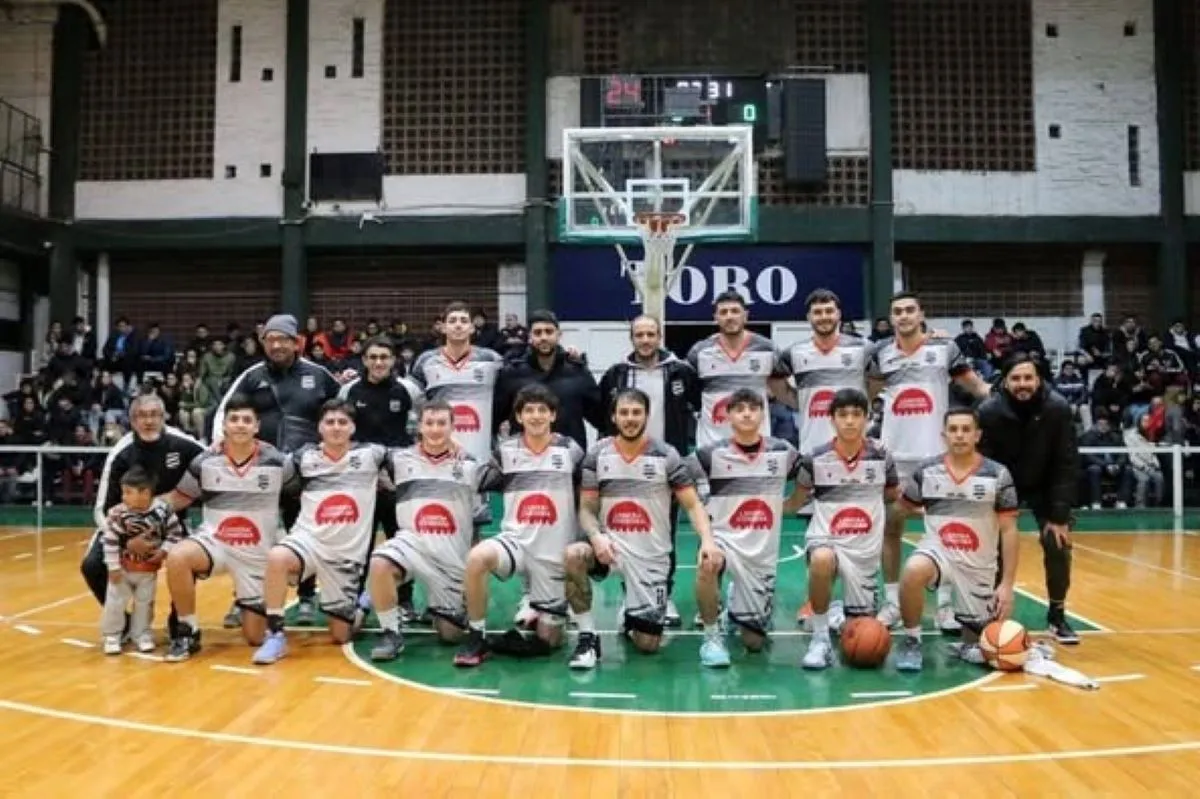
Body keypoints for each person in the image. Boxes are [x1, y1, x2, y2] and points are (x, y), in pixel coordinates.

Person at [868, 291, 992, 633]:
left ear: (921, 314)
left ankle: (947, 607)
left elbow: (977, 386)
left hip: (937, 456)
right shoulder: (880, 354)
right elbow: (867, 390)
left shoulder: (945, 349)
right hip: (893, 456)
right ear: (891, 319)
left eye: (910, 310)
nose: (904, 316)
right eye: (897, 312)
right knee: (890, 528)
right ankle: (892, 602)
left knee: (945, 531)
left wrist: (1003, 402)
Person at [563, 388, 713, 669]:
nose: (630, 419)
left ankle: (632, 611)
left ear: (646, 415)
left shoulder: (666, 455)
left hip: (650, 556)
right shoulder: (598, 454)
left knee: (648, 645)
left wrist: (707, 540)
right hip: (610, 549)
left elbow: (692, 505)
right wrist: (596, 537)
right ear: (613, 416)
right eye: (624, 413)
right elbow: (586, 509)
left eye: (636, 412)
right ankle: (587, 637)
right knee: (573, 555)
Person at [212, 313, 342, 627]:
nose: (277, 345)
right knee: (254, 536)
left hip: (306, 473)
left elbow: (343, 411)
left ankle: (308, 595)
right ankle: (246, 596)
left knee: (306, 534)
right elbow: (225, 413)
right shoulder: (251, 376)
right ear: (264, 343)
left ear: (296, 342)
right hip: (260, 473)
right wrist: (221, 447)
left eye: (283, 339)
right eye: (271, 339)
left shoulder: (319, 375)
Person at [157, 395, 297, 661]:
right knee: (178, 557)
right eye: (234, 419)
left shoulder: (278, 462)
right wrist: (141, 510)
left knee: (255, 637)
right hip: (215, 542)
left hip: (257, 552)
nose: (240, 425)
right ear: (225, 425)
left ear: (257, 426)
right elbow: (179, 498)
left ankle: (248, 603)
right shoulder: (204, 461)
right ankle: (188, 631)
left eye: (247, 420)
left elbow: (300, 499)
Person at [453, 384, 585, 668]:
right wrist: (454, 451)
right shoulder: (506, 451)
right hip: (516, 541)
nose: (536, 416)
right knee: (477, 558)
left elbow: (585, 494)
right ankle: (476, 635)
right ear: (518, 416)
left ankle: (534, 617)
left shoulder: (570, 450)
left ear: (553, 415)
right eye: (529, 410)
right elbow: (478, 481)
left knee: (548, 642)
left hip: (554, 549)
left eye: (542, 410)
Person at [252, 400, 389, 665]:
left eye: (342, 422)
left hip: (346, 553)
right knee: (278, 557)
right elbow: (269, 465)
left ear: (353, 427)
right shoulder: (304, 458)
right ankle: (275, 634)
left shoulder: (373, 455)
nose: (336, 428)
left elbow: (415, 455)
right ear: (319, 427)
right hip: (309, 540)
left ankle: (362, 603)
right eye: (330, 422)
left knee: (341, 635)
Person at [894, 408, 1021, 671]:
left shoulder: (998, 475)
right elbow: (904, 507)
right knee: (913, 570)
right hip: (939, 553)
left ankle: (969, 638)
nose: (959, 435)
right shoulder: (927, 471)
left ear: (977, 435)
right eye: (953, 430)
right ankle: (911, 640)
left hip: (979, 565)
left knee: (980, 647)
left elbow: (1009, 530)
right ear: (944, 435)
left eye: (966, 430)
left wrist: (1007, 585)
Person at [597, 315, 702, 627]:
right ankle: (630, 595)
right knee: (627, 532)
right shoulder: (616, 374)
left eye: (650, 334)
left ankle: (663, 595)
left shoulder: (681, 370)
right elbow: (603, 414)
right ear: (632, 338)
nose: (645, 340)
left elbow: (698, 406)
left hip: (665, 466)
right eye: (639, 334)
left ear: (660, 336)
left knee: (664, 533)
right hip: (624, 466)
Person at [367, 399, 487, 661]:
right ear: (419, 426)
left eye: (442, 423)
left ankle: (444, 608)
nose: (435, 429)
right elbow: (360, 450)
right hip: (413, 544)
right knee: (380, 562)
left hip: (450, 558)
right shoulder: (398, 459)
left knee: (450, 635)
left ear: (453, 427)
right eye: (429, 423)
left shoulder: (469, 466)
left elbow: (477, 525)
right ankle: (390, 632)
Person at [693, 388, 802, 668]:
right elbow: (684, 489)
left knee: (753, 644)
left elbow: (809, 476)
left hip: (761, 551)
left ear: (762, 413)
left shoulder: (782, 451)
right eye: (739, 409)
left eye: (752, 408)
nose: (746, 413)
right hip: (724, 540)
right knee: (707, 563)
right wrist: (706, 525)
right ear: (728, 415)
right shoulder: (710, 455)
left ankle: (734, 598)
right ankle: (711, 636)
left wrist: (790, 505)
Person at [791, 388, 899, 670]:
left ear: (867, 418)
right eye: (842, 415)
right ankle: (820, 637)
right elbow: (797, 500)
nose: (849, 421)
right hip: (826, 537)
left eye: (856, 414)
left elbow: (891, 493)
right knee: (822, 559)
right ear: (831, 419)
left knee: (860, 630)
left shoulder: (882, 456)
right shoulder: (814, 457)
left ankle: (838, 611)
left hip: (864, 548)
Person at [976, 353, 1080, 644]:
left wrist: (1059, 516)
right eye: (1016, 378)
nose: (1023, 384)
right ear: (1005, 381)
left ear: (1039, 379)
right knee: (992, 547)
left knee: (1057, 543)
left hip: (1046, 484)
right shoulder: (988, 411)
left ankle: (1057, 616)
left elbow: (1066, 461)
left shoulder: (1058, 408)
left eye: (1028, 378)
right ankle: (992, 614)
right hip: (1003, 483)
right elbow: (982, 463)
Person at [81, 391, 203, 636]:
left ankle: (179, 618)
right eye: (141, 416)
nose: (148, 421)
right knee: (92, 565)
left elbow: (214, 460)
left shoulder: (184, 444)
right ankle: (122, 622)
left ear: (163, 417)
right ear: (132, 420)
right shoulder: (121, 453)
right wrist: (127, 540)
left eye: (154, 415)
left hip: (172, 524)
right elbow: (102, 509)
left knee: (193, 561)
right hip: (126, 525)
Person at [338, 336, 420, 615]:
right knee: (359, 544)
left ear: (393, 360)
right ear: (364, 360)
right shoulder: (349, 391)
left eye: (384, 357)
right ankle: (356, 598)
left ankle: (405, 599)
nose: (378, 363)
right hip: (361, 481)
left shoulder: (408, 390)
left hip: (397, 481)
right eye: (372, 357)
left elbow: (427, 424)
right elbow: (339, 431)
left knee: (402, 540)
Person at [687, 290, 789, 449]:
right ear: (716, 318)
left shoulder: (767, 349)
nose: (729, 316)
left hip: (756, 445)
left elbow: (783, 392)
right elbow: (689, 396)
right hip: (712, 447)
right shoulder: (699, 352)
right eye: (723, 312)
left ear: (745, 315)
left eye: (735, 311)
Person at [99, 466, 184, 655]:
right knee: (115, 602)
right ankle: (112, 635)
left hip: (148, 570)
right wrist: (112, 566)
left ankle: (142, 634)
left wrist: (163, 552)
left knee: (145, 603)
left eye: (128, 492)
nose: (123, 497)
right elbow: (110, 540)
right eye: (123, 492)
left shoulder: (163, 512)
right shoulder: (117, 513)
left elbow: (175, 534)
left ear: (145, 493)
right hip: (122, 569)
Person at [780, 289, 868, 458]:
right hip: (811, 449)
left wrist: (861, 399)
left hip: (856, 450)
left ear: (839, 314)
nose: (824, 316)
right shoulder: (793, 352)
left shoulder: (863, 348)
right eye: (817, 312)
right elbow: (775, 382)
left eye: (829, 311)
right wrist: (800, 402)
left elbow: (877, 380)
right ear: (808, 317)